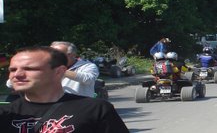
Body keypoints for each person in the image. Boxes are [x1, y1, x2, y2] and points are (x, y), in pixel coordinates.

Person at [1, 46, 129, 132]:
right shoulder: (6, 114)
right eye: (12, 70)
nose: (17, 74)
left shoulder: (95, 109)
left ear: (59, 72)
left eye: (30, 69)